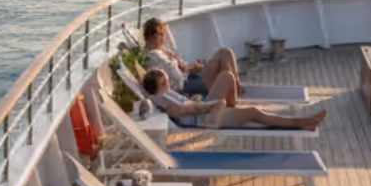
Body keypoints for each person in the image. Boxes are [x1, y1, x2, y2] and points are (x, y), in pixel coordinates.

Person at [140, 69, 328, 131]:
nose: (168, 84)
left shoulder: (163, 97)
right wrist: (213, 104)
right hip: (210, 117)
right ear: (158, 87)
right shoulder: (164, 100)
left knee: (227, 76)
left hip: (206, 109)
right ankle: (302, 123)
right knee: (254, 112)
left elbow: (185, 107)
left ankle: (233, 109)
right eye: (164, 82)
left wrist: (195, 99)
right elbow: (185, 112)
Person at [141, 17, 242, 98]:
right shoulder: (154, 55)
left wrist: (192, 67)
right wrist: (189, 69)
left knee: (226, 52)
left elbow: (181, 67)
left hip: (190, 77)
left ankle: (236, 85)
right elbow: (175, 79)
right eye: (161, 35)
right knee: (225, 73)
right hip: (185, 85)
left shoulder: (162, 50)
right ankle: (231, 93)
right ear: (153, 37)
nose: (164, 38)